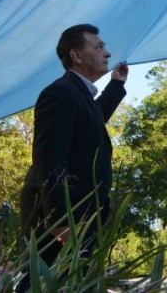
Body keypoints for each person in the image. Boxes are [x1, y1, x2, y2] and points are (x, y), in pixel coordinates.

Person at [18, 24, 128, 288]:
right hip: (64, 220)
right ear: (76, 55)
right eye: (99, 47)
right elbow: (49, 156)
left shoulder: (77, 95)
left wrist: (116, 85)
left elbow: (92, 119)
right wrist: (60, 219)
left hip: (80, 217)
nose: (107, 53)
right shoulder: (60, 93)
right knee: (42, 283)